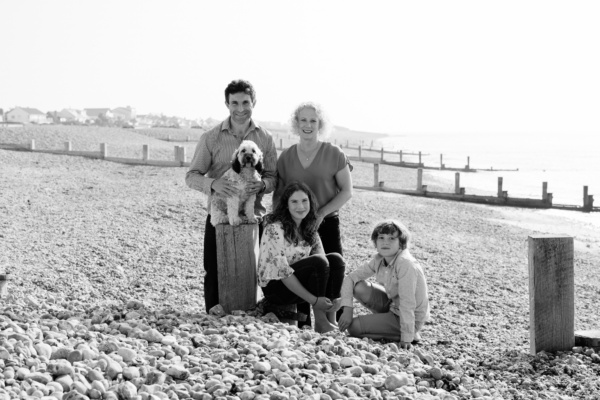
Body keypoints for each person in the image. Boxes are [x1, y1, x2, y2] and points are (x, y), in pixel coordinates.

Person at [185, 79, 277, 312]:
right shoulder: (211, 137)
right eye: (234, 103)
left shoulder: (265, 138)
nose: (240, 108)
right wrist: (214, 183)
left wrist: (263, 186)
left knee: (258, 269)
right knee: (214, 270)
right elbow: (192, 176)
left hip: (253, 215)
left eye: (245, 102)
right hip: (219, 213)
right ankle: (212, 315)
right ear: (227, 103)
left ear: (253, 102)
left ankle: (256, 315)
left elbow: (273, 177)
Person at [274, 102, 353, 327]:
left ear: (320, 125)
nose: (308, 125)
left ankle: (330, 322)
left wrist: (321, 213)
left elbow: (347, 191)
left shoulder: (334, 153)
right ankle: (304, 323)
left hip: (326, 221)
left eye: (313, 121)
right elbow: (279, 195)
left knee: (334, 268)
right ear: (296, 124)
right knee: (303, 270)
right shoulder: (286, 157)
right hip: (296, 225)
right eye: (303, 120)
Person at [258, 181, 345, 333]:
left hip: (298, 285)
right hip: (276, 288)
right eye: (294, 201)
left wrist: (336, 297)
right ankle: (321, 322)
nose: (300, 206)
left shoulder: (309, 228)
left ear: (311, 203)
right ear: (286, 205)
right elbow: (283, 272)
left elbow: (326, 264)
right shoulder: (274, 228)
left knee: (336, 259)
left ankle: (332, 319)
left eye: (305, 201)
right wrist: (315, 301)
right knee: (318, 262)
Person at [337, 220, 430, 349]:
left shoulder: (406, 264)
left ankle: (409, 334)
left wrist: (406, 337)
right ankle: (385, 324)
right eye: (381, 237)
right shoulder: (379, 259)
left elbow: (407, 303)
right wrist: (347, 309)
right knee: (359, 286)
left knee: (353, 328)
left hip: (410, 316)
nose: (385, 242)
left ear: (401, 243)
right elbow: (350, 278)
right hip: (393, 306)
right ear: (375, 242)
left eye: (392, 238)